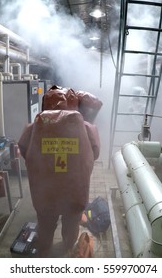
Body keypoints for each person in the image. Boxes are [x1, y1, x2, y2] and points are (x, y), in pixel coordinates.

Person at [18, 86, 101, 257]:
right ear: (73, 104)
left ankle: (45, 249)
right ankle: (67, 247)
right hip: (75, 191)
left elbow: (23, 149)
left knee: (46, 223)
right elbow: (95, 152)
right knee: (71, 222)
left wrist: (43, 166)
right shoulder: (86, 127)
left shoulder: (34, 127)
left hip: (44, 192)